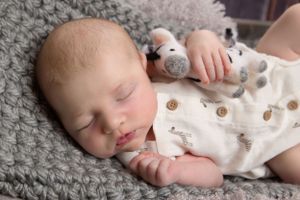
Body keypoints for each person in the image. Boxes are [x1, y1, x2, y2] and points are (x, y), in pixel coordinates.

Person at [35, 4, 300, 187]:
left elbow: (193, 47)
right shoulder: (143, 156)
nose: (112, 123)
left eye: (124, 95)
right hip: (274, 145)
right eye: (86, 123)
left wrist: (201, 40)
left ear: (141, 65)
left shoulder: (160, 70)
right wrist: (175, 172)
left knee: (294, 18)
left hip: (272, 72)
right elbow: (213, 175)